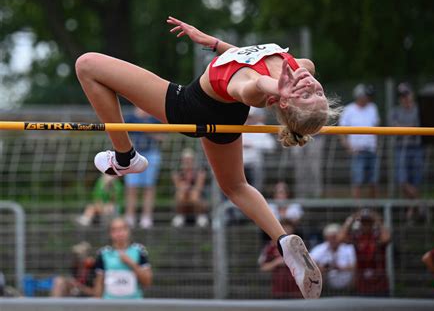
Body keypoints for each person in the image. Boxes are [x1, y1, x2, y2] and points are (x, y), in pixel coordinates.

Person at [75, 15, 340, 299]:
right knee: (235, 186)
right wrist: (214, 43)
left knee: (87, 65)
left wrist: (275, 88)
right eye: (319, 93)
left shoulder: (257, 88)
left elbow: (253, 83)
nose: (312, 86)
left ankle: (125, 157)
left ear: (285, 101)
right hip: (223, 111)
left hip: (192, 107)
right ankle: (284, 241)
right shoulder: (299, 67)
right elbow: (248, 60)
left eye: (307, 95)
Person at [389, 82, 424, 222]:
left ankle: (411, 209)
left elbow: (418, 126)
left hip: (416, 148)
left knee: (415, 180)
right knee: (402, 180)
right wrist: (409, 129)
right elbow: (394, 127)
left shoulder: (419, 110)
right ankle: (420, 204)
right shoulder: (395, 111)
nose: (404, 98)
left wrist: (404, 129)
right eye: (402, 95)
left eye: (406, 94)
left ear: (412, 94)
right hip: (401, 148)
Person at [94, 217, 152, 299]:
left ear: (128, 231)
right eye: (115, 230)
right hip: (109, 304)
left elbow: (147, 282)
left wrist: (131, 263)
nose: (119, 233)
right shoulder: (103, 253)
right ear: (110, 233)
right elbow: (99, 283)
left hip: (134, 304)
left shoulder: (139, 250)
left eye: (122, 229)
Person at [339, 84, 380, 199]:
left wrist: (376, 146)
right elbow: (341, 131)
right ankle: (358, 212)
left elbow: (376, 128)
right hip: (357, 152)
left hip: (371, 150)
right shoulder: (349, 109)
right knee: (358, 181)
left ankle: (372, 211)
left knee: (374, 182)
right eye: (366, 95)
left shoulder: (373, 107)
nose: (368, 98)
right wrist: (348, 147)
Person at [124, 107, 162, 229]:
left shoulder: (154, 116)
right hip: (133, 154)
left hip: (151, 153)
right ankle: (130, 216)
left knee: (149, 187)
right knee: (131, 187)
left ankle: (147, 217)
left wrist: (148, 129)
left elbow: (163, 137)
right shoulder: (130, 117)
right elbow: (122, 135)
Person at [339, 208, 391, 296]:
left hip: (379, 284)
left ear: (372, 224)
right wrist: (351, 219)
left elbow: (387, 238)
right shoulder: (357, 237)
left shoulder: (377, 236)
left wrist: (378, 221)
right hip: (362, 284)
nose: (366, 225)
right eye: (363, 223)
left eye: (368, 223)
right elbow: (340, 238)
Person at [258, 219, 302, 299]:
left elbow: (307, 264)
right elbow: (263, 268)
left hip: (297, 289)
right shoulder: (270, 247)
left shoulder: (299, 245)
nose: (285, 231)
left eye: (288, 228)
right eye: (283, 228)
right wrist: (277, 262)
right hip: (279, 290)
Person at [310, 224, 356, 293]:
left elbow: (355, 266)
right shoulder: (319, 249)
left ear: (340, 237)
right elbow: (309, 264)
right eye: (329, 238)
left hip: (348, 286)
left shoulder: (349, 248)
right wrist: (322, 268)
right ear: (326, 238)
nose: (332, 240)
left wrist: (341, 268)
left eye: (334, 237)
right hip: (326, 287)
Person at [171, 148, 208, 228]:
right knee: (180, 194)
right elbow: (178, 186)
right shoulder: (177, 172)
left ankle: (200, 216)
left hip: (196, 197)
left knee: (194, 195)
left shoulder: (200, 171)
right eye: (185, 159)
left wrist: (188, 187)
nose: (187, 161)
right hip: (184, 195)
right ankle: (180, 216)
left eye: (189, 159)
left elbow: (199, 187)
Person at [243, 107, 276, 191]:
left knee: (254, 189)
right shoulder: (237, 127)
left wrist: (252, 145)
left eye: (250, 116)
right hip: (238, 164)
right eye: (246, 116)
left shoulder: (260, 127)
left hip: (254, 165)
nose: (248, 119)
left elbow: (271, 146)